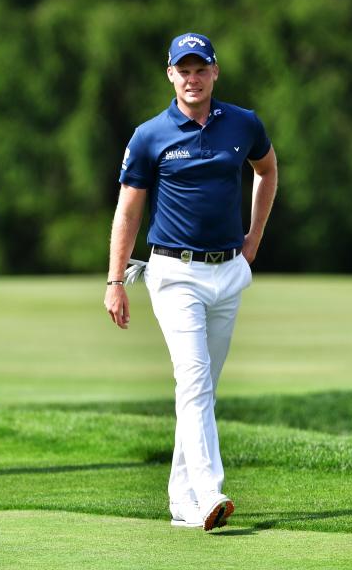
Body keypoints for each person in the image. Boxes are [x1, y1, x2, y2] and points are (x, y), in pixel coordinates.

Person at [104, 33, 277, 530]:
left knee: (200, 390)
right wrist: (116, 278)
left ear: (215, 73)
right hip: (173, 272)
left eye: (201, 69)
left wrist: (253, 242)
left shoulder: (243, 124)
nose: (192, 78)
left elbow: (266, 170)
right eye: (184, 70)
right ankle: (208, 493)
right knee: (194, 380)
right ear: (170, 75)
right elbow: (129, 209)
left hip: (228, 271)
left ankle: (181, 499)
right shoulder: (149, 135)